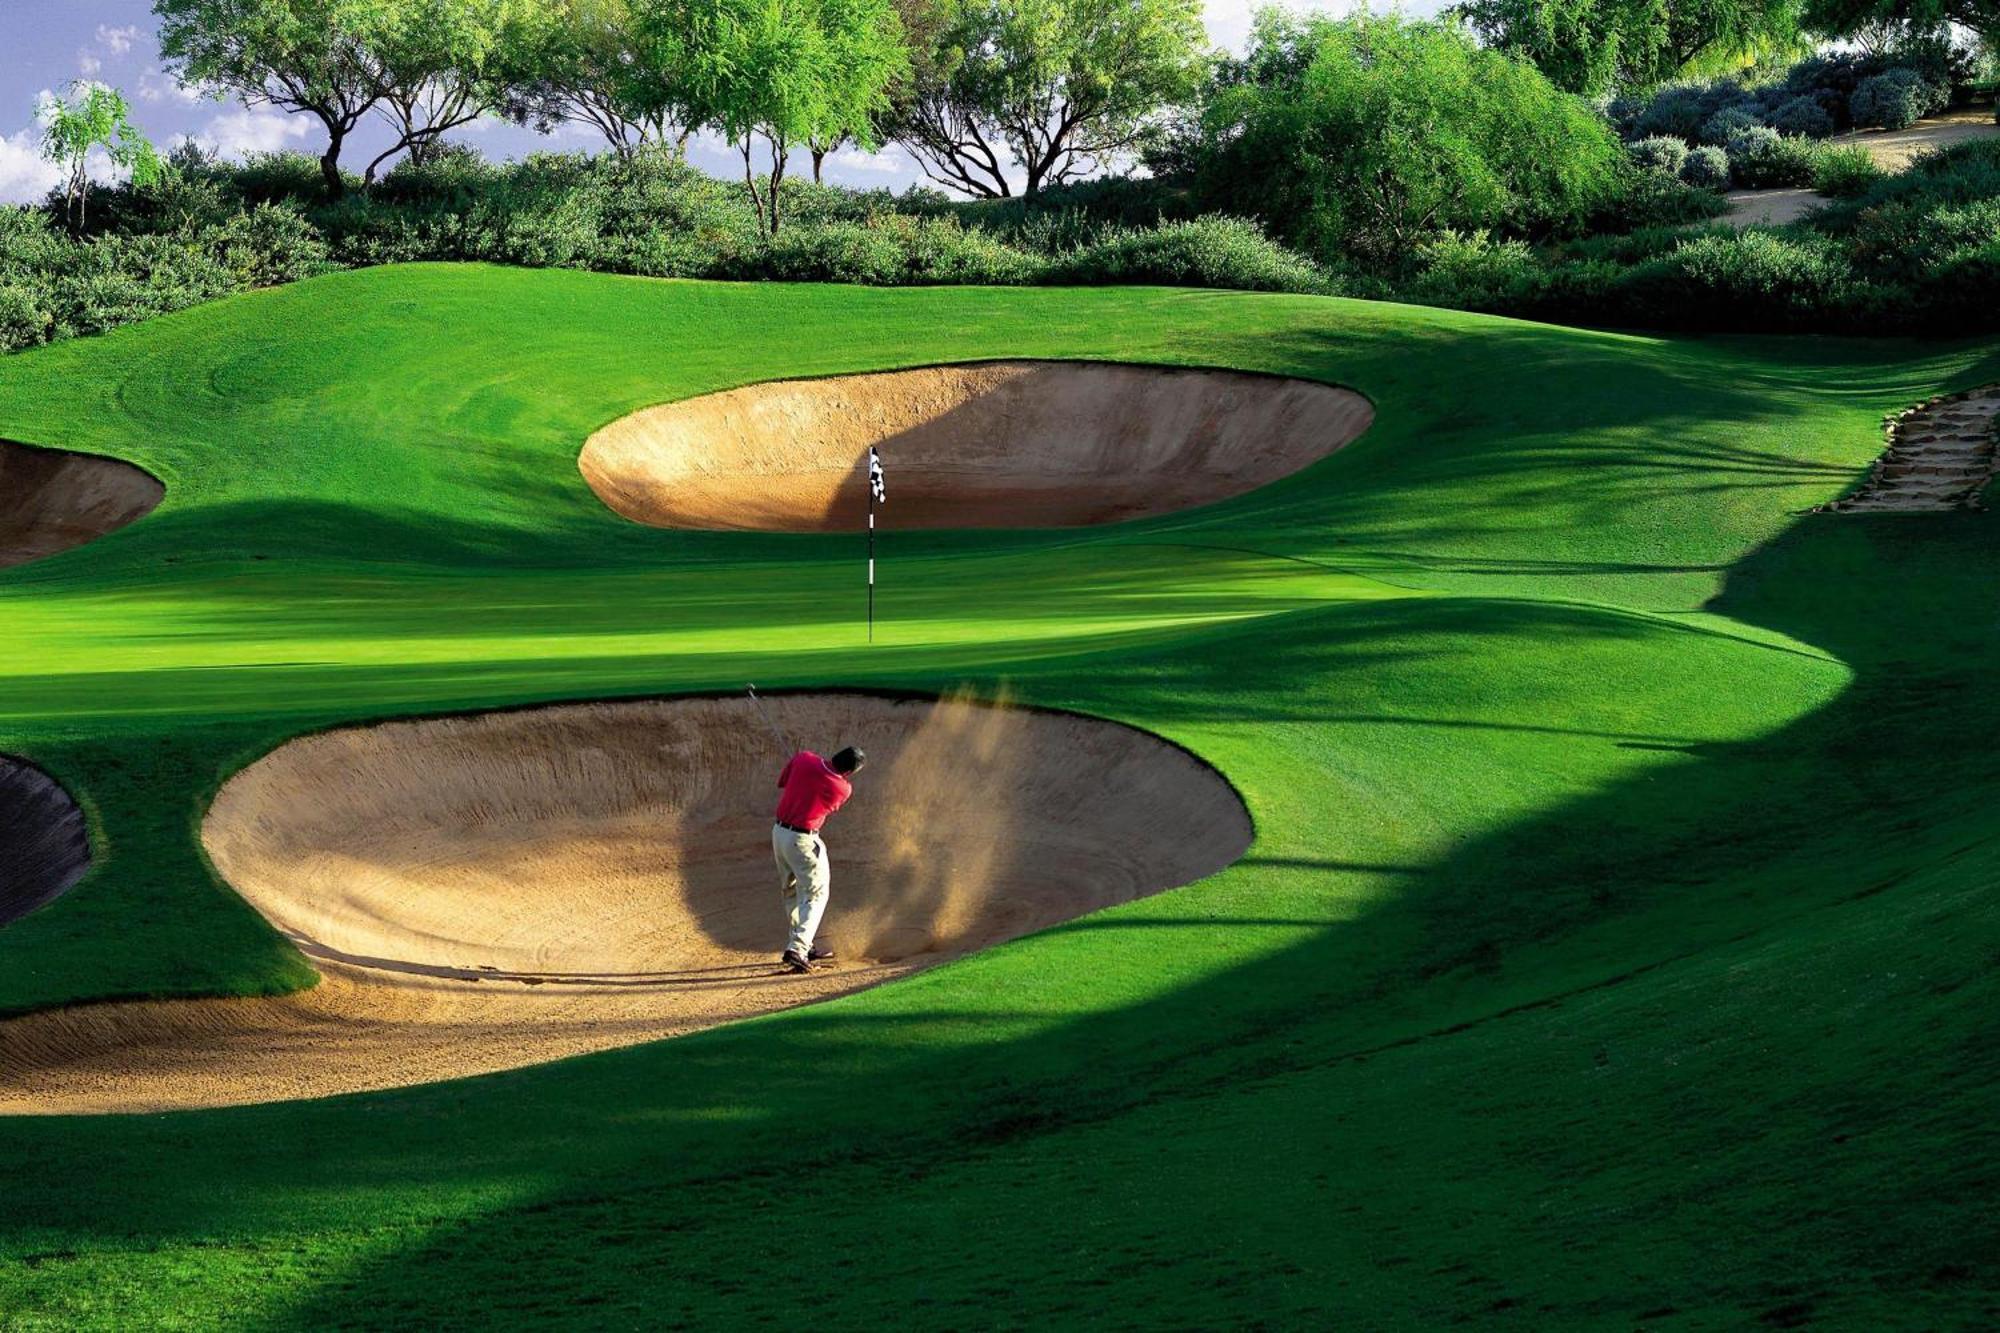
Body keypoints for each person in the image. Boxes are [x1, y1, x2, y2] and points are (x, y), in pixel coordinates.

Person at [772, 744, 865, 973]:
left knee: (792, 891)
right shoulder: (842, 787)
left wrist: (802, 768)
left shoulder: (804, 757)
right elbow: (829, 807)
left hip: (779, 834)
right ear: (850, 772)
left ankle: (805, 942)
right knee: (816, 893)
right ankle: (798, 948)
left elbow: (782, 782)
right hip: (802, 840)